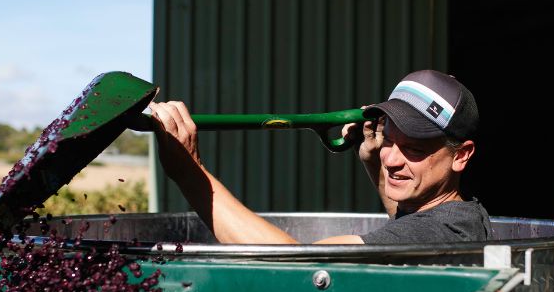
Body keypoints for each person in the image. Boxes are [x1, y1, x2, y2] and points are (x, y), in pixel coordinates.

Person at [148, 69, 490, 244]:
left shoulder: (447, 230)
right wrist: (372, 158)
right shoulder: (438, 213)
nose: (392, 159)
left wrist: (189, 172)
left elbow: (297, 266)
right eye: (389, 139)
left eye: (414, 149)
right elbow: (405, 216)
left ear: (461, 155)